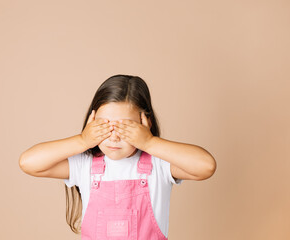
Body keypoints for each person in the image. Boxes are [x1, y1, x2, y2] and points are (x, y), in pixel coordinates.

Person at [19, 74, 217, 239]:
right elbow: (29, 163)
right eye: (104, 126)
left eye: (125, 127)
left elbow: (205, 166)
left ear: (144, 122)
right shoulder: (85, 166)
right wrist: (82, 141)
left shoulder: (159, 165)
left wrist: (149, 142)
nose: (113, 136)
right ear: (92, 120)